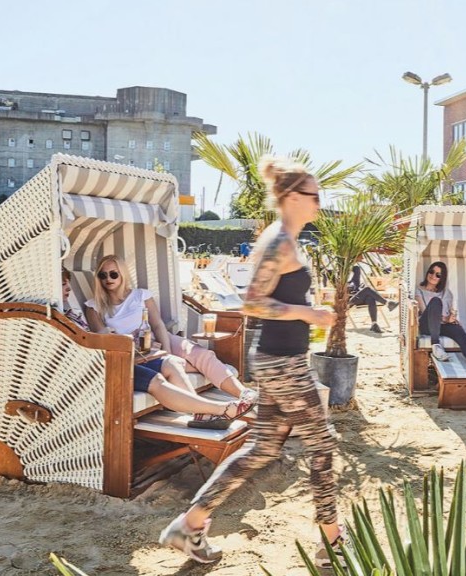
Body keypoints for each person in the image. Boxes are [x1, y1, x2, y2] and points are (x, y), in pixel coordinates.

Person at [160, 156, 341, 566]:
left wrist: (306, 308)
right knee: (323, 446)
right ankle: (333, 542)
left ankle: (190, 525)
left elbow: (276, 297)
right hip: (284, 364)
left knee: (260, 450)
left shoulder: (284, 239)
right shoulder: (279, 241)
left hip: (279, 359)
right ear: (292, 197)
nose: (318, 203)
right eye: (314, 195)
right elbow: (253, 304)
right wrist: (307, 314)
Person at [82, 257, 252, 429]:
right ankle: (202, 411)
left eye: (113, 274)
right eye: (103, 275)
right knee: (175, 364)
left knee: (202, 354)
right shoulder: (94, 306)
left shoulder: (141, 295)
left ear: (123, 274)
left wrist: (167, 350)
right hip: (132, 347)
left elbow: (157, 324)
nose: (108, 279)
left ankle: (244, 393)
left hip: (155, 337)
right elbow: (103, 337)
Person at [415, 261, 466, 375]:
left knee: (457, 329)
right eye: (432, 272)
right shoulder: (419, 290)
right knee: (435, 301)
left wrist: (451, 319)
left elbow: (447, 313)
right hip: (426, 325)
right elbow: (425, 311)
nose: (433, 276)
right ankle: (436, 345)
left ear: (442, 278)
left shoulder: (446, 293)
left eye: (438, 275)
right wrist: (445, 319)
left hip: (440, 325)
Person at [348, 264, 397, 334]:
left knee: (371, 298)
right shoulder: (342, 280)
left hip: (358, 298)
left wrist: (359, 288)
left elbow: (356, 270)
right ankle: (387, 303)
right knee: (367, 289)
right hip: (350, 301)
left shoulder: (354, 280)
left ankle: (374, 324)